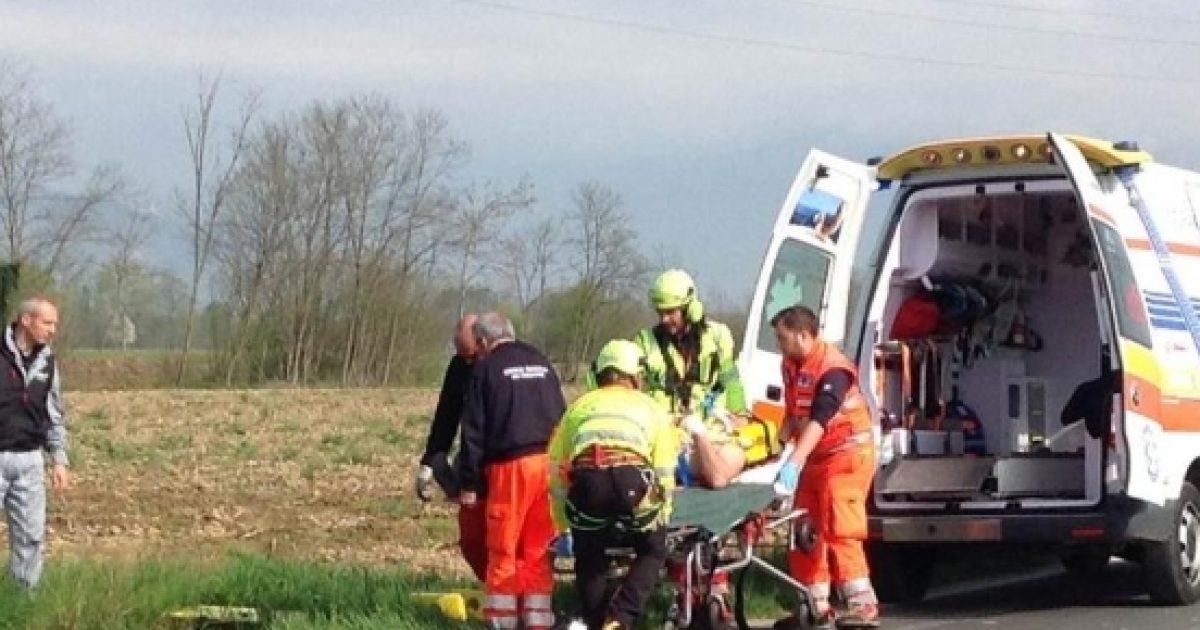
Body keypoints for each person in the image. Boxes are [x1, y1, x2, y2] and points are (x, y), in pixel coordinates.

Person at [548, 339, 677, 630]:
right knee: (653, 549)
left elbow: (556, 466)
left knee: (589, 549)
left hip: (587, 484)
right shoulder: (651, 407)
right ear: (635, 376)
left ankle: (595, 619)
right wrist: (660, 513)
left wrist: (563, 523)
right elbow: (664, 469)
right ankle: (621, 616)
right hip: (630, 482)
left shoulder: (579, 407)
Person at [771, 305, 879, 629]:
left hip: (847, 454)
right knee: (803, 529)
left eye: (783, 338)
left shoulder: (834, 368)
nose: (779, 344)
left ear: (803, 335)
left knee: (839, 524)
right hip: (817, 456)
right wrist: (773, 449)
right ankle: (813, 604)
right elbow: (794, 415)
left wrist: (793, 461)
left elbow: (820, 417)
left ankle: (862, 603)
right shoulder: (790, 365)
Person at [458, 312, 566, 630]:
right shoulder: (542, 362)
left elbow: (473, 431)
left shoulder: (485, 368)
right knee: (538, 548)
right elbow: (561, 414)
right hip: (548, 464)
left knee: (503, 547)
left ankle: (503, 622)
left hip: (510, 468)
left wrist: (470, 483)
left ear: (481, 341)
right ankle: (537, 621)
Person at [634, 268, 746, 489]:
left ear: (690, 308)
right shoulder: (644, 342)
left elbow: (731, 379)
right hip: (666, 434)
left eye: (671, 312)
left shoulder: (717, 337)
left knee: (728, 462)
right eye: (660, 313)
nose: (664, 319)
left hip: (711, 432)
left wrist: (739, 412)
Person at [0, 297, 70, 590]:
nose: (53, 330)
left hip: (29, 461)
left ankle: (21, 600)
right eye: (47, 322)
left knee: (31, 536)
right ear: (25, 320)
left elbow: (54, 413)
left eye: (55, 324)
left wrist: (59, 459)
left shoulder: (48, 363)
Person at [414, 312, 487, 581]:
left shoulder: (498, 366)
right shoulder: (459, 367)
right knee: (472, 541)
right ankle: (494, 589)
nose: (467, 361)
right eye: (461, 353)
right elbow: (447, 414)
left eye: (470, 355)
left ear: (483, 342)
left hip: (503, 462)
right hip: (471, 460)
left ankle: (507, 599)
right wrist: (430, 460)